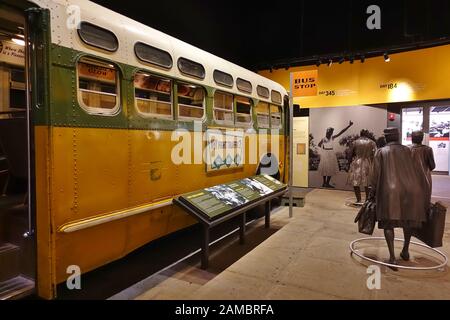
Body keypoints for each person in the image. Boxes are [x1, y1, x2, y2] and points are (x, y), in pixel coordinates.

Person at [371, 127, 428, 268]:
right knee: (407, 221)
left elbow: (375, 175)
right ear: (398, 136)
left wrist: (372, 192)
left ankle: (392, 258)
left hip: (390, 190)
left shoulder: (381, 152)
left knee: (388, 223)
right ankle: (405, 250)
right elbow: (415, 169)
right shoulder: (408, 150)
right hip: (411, 189)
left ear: (386, 137)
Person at [318, 121, 353, 188]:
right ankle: (324, 183)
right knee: (325, 168)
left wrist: (349, 126)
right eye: (330, 132)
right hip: (326, 153)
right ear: (328, 132)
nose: (330, 133)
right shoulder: (323, 139)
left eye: (331, 132)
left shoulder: (332, 137)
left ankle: (327, 183)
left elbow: (341, 132)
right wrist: (324, 148)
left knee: (330, 168)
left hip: (330, 153)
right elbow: (319, 145)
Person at [348, 129, 377, 204]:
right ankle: (367, 199)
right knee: (367, 182)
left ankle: (358, 199)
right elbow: (375, 154)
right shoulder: (372, 142)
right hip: (368, 162)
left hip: (357, 162)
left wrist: (349, 162)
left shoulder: (355, 142)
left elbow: (350, 153)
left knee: (355, 181)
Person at [409, 131, 436, 204]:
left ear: (412, 138)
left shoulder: (406, 149)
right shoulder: (428, 149)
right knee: (424, 202)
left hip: (409, 179)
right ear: (422, 138)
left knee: (410, 202)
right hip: (424, 179)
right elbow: (432, 166)